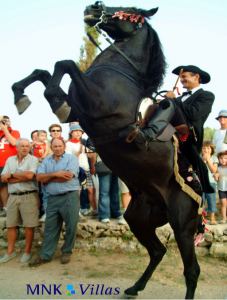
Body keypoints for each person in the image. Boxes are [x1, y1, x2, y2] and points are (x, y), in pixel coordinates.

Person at [128, 65, 215, 193]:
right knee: (158, 105)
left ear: (196, 77)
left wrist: (172, 101)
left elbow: (193, 113)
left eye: (184, 76)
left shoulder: (207, 96)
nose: (181, 80)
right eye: (181, 77)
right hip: (171, 129)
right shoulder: (179, 99)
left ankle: (149, 134)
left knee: (168, 103)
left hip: (190, 133)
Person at [29, 138, 80, 266]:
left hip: (69, 197)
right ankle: (46, 255)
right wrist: (57, 173)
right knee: (50, 227)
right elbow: (39, 177)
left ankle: (66, 252)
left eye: (60, 146)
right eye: (55, 146)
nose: (57, 148)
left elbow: (67, 176)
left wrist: (48, 178)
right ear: (51, 147)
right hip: (52, 198)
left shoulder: (72, 159)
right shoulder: (46, 160)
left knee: (71, 226)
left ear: (64, 146)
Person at [0, 138, 39, 263]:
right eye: (22, 146)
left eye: (27, 146)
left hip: (29, 195)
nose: (25, 148)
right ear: (17, 147)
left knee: (29, 225)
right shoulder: (10, 160)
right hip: (12, 196)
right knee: (10, 224)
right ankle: (10, 252)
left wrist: (11, 175)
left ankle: (27, 251)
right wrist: (20, 176)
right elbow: (3, 178)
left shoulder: (33, 159)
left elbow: (30, 176)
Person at [66, 124, 98, 218]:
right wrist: (79, 152)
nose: (78, 133)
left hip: (86, 169)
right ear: (71, 132)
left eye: (80, 131)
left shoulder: (84, 142)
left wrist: (90, 150)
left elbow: (90, 156)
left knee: (91, 190)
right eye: (75, 131)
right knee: (77, 192)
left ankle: (95, 210)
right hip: (76, 170)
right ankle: (77, 212)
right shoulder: (68, 144)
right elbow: (68, 159)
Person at [0, 116, 20, 217]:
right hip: (0, 163)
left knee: (12, 185)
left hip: (10, 162)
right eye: (2, 121)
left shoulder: (14, 132)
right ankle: (5, 208)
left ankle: (14, 208)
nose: (4, 122)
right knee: (2, 187)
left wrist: (5, 130)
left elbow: (14, 143)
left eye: (6, 120)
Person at [96, 155, 123, 223]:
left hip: (116, 163)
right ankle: (103, 215)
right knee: (104, 190)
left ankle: (115, 212)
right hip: (104, 163)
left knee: (115, 191)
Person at [32, 130, 49, 222]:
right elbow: (30, 149)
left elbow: (46, 150)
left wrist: (44, 156)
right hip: (36, 162)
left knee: (44, 189)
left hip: (43, 162)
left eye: (45, 136)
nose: (44, 137)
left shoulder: (46, 143)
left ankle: (46, 211)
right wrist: (33, 143)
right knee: (37, 190)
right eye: (42, 136)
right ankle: (38, 211)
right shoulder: (34, 143)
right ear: (37, 136)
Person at [200, 141, 218, 225]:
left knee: (211, 200)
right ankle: (202, 219)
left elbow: (214, 170)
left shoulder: (214, 158)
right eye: (204, 148)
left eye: (208, 148)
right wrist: (203, 161)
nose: (206, 150)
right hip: (201, 183)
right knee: (201, 201)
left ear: (211, 149)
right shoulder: (199, 158)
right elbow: (200, 170)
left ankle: (212, 218)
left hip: (211, 183)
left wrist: (208, 160)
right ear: (201, 149)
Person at [214, 150, 227, 224]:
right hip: (221, 188)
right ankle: (223, 217)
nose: (223, 160)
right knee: (223, 202)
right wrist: (216, 176)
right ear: (218, 159)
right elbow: (217, 179)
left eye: (225, 158)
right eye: (221, 158)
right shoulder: (218, 169)